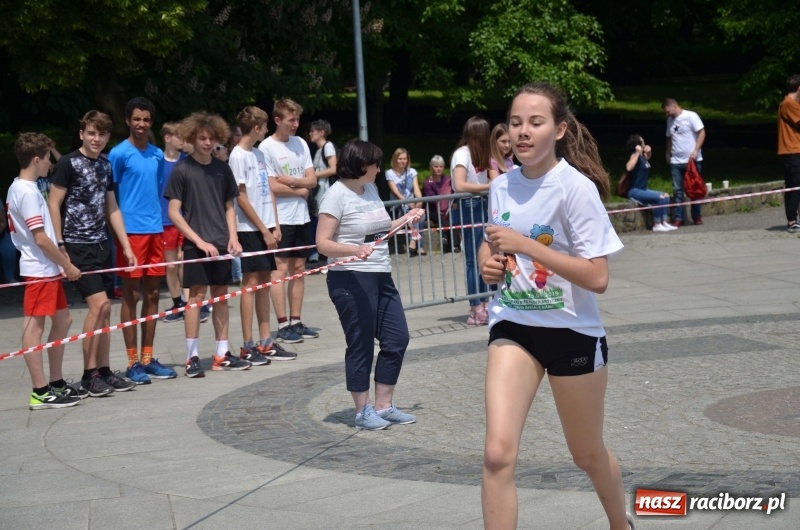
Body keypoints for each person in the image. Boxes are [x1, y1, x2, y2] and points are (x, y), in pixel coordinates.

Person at [478, 82, 632, 530]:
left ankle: (620, 524)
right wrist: (490, 264)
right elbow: (494, 246)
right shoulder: (500, 186)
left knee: (586, 454)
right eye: (515, 123)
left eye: (535, 122)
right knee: (496, 455)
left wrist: (528, 246)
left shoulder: (574, 189)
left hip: (573, 334)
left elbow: (598, 278)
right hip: (514, 325)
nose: (522, 132)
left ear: (560, 129)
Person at [316, 139, 425, 431]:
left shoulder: (371, 189)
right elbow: (322, 243)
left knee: (397, 338)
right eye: (376, 164)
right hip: (350, 277)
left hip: (381, 274)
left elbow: (380, 229)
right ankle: (362, 411)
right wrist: (353, 250)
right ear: (362, 165)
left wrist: (406, 218)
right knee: (361, 342)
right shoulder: (335, 196)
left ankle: (384, 406)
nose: (379, 169)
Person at [49, 110, 138, 396]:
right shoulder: (67, 163)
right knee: (98, 305)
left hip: (102, 244)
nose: (96, 138)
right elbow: (53, 204)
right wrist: (60, 244)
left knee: (106, 309)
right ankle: (89, 375)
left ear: (107, 137)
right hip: (77, 244)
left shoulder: (105, 165)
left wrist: (125, 244)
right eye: (91, 133)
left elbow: (112, 207)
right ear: (81, 134)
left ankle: (103, 370)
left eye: (101, 134)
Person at [165, 111, 251, 377]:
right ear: (192, 137)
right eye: (201, 138)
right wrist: (198, 241)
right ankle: (191, 358)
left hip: (222, 242)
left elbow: (229, 206)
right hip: (196, 243)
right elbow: (174, 213)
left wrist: (233, 237)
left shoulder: (222, 169)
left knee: (221, 296)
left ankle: (221, 354)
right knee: (196, 298)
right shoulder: (182, 170)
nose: (206, 142)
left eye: (211, 138)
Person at [8, 132, 82, 409]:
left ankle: (56, 382)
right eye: (48, 159)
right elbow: (39, 238)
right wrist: (67, 264)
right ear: (36, 160)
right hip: (39, 269)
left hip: (47, 267)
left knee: (63, 321)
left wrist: (60, 258)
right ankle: (40, 390)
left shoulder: (22, 187)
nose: (51, 164)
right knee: (34, 328)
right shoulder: (26, 192)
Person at [109, 96, 177, 384]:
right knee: (131, 294)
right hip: (130, 232)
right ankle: (131, 362)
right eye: (136, 118)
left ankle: (148, 359)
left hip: (155, 229)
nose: (141, 124)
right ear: (128, 120)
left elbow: (156, 186)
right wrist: (119, 235)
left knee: (152, 294)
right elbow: (110, 196)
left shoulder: (157, 154)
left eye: (146, 120)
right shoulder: (118, 154)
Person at [231, 106, 296, 363]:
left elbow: (268, 189)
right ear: (256, 128)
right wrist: (262, 229)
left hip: (266, 226)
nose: (267, 130)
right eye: (265, 126)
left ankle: (266, 340)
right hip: (249, 228)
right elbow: (241, 198)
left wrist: (275, 225)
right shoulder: (238, 155)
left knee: (264, 283)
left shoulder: (259, 154)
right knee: (250, 284)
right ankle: (248, 345)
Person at [258, 98, 319, 344]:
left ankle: (296, 320)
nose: (295, 124)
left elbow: (312, 180)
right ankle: (282, 323)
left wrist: (293, 182)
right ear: (277, 120)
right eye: (290, 120)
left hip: (301, 216)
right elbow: (272, 186)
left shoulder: (301, 143)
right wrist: (300, 189)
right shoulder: (266, 147)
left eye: (297, 119)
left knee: (299, 269)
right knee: (280, 270)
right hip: (280, 217)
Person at [451, 116, 492, 325]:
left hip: (481, 204)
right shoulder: (462, 154)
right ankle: (475, 307)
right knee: (473, 259)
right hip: (468, 205)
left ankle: (484, 303)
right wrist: (489, 187)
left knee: (484, 256)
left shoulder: (482, 154)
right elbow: (459, 185)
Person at [159, 122, 190, 323]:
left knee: (184, 262)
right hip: (164, 219)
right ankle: (177, 302)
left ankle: (190, 302)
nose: (183, 140)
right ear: (168, 138)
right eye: (179, 136)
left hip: (185, 218)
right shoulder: (157, 162)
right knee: (171, 265)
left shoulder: (187, 160)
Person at [663, 98, 706, 226]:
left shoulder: (691, 116)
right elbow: (670, 138)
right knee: (677, 190)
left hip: (692, 160)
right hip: (676, 160)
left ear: (674, 106)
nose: (667, 114)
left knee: (694, 189)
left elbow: (702, 133)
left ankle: (696, 216)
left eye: (668, 111)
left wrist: (696, 150)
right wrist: (668, 153)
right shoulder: (669, 121)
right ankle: (679, 218)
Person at [624, 134, 677, 233]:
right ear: (637, 145)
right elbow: (628, 167)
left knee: (665, 196)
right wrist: (637, 153)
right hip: (635, 191)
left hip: (643, 189)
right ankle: (657, 224)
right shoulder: (634, 156)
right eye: (642, 142)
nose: (644, 144)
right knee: (660, 198)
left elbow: (647, 158)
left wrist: (649, 151)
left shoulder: (642, 157)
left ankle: (664, 222)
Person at [308, 119, 337, 264]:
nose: (310, 133)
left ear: (322, 132)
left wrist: (313, 176)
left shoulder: (328, 146)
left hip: (326, 191)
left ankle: (328, 255)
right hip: (319, 191)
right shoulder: (319, 149)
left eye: (313, 131)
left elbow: (333, 168)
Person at [385, 148, 425, 256]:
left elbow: (416, 188)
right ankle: (416, 243)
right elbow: (396, 192)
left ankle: (416, 243)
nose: (403, 161)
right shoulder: (389, 173)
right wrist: (408, 202)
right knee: (411, 215)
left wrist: (419, 200)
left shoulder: (412, 172)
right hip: (398, 206)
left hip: (411, 204)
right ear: (395, 160)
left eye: (405, 159)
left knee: (420, 215)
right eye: (400, 159)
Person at [422, 155, 460, 253]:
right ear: (431, 167)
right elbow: (432, 199)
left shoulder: (448, 180)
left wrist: (453, 202)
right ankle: (449, 242)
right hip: (433, 210)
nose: (438, 169)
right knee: (442, 218)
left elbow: (454, 192)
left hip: (448, 208)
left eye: (441, 166)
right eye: (436, 166)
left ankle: (455, 245)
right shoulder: (428, 182)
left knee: (452, 217)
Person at [778, 74, 800, 233]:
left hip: (793, 150)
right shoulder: (789, 104)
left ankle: (794, 220)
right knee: (795, 186)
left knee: (795, 186)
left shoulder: (789, 104)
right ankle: (792, 221)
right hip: (792, 151)